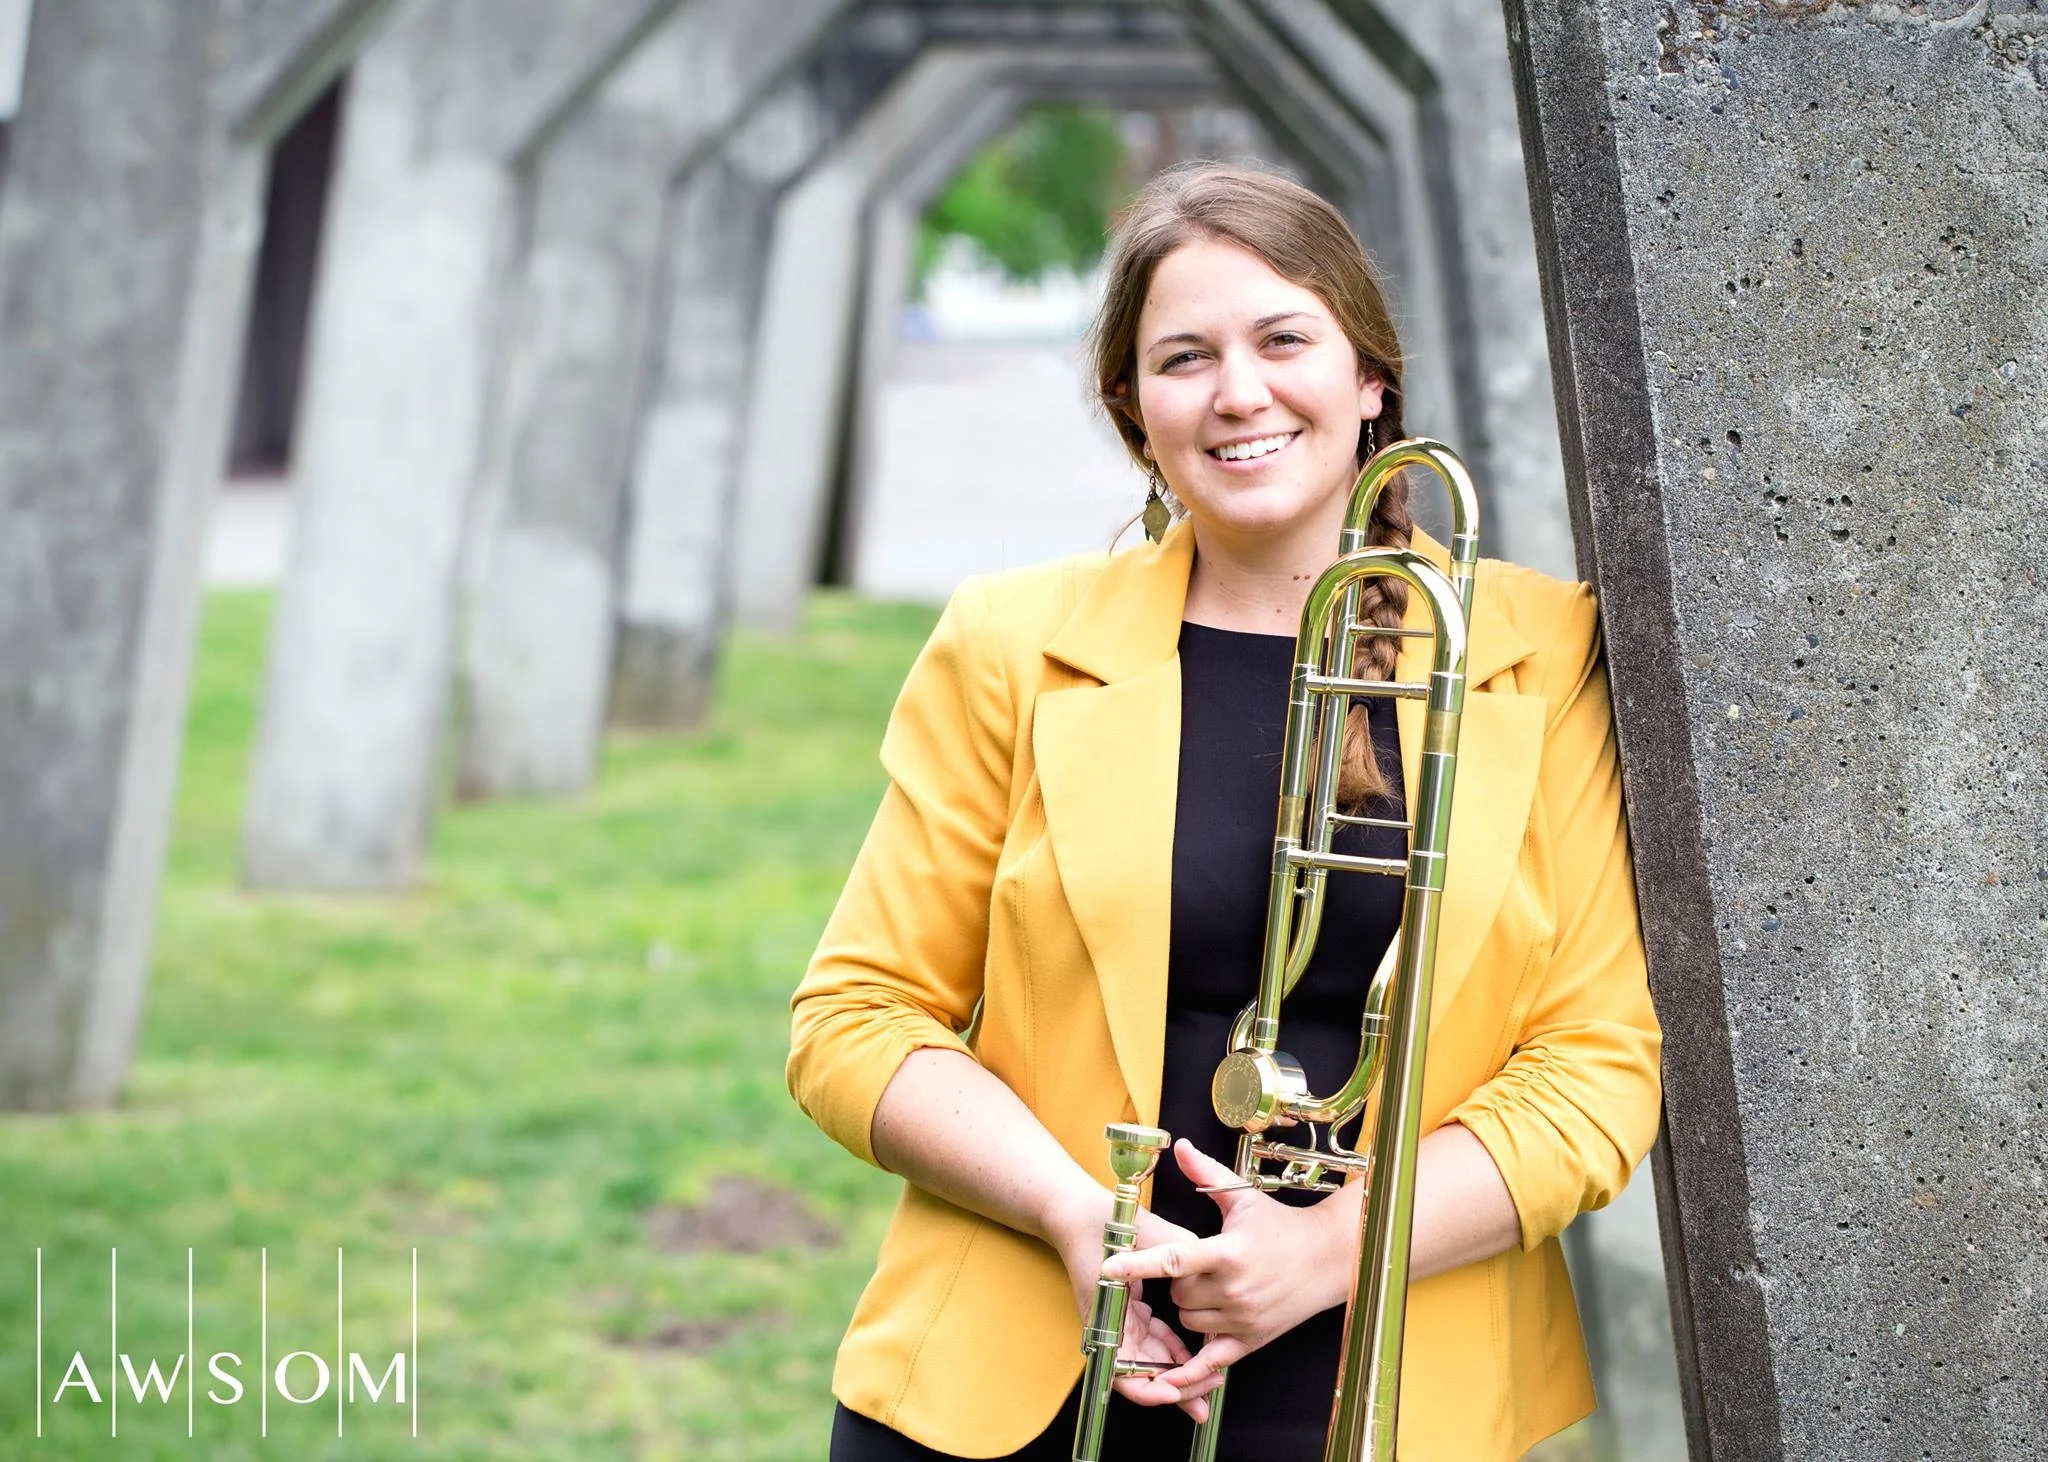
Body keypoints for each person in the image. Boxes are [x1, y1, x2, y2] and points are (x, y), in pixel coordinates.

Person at [787, 162, 1662, 1461]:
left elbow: (1596, 1064)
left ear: (1371, 378)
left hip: (1384, 1386)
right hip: (1017, 1375)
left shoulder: (1541, 653)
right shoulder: (1010, 645)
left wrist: (1324, 1253)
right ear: (1135, 411)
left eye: (1284, 339)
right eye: (1183, 358)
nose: (1238, 392)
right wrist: (1075, 1214)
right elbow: (856, 1019)